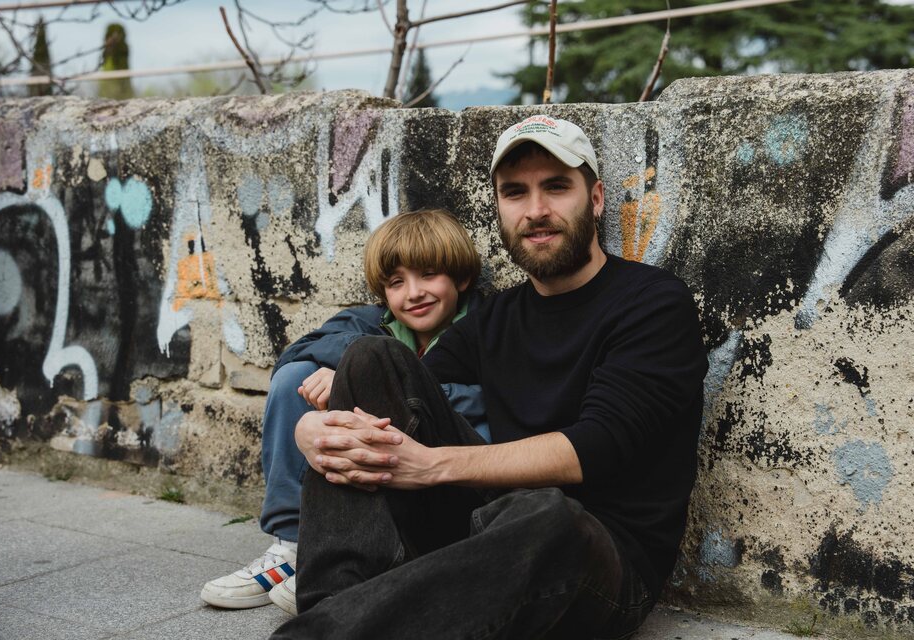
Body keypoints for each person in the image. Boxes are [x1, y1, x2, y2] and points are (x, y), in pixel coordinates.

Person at [273, 115, 710, 639]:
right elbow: (396, 394)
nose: (536, 210)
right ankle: (335, 605)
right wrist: (309, 431)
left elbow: (596, 447)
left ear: (594, 199)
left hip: (595, 559)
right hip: (488, 528)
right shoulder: (495, 317)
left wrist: (432, 466)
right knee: (370, 359)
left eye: (555, 187)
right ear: (499, 208)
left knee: (550, 516)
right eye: (515, 193)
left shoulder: (653, 303)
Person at [199, 208, 488, 615]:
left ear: (461, 278)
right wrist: (348, 368)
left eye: (428, 275)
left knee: (375, 380)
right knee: (298, 375)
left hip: (452, 483)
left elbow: (498, 400)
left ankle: (360, 557)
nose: (413, 293)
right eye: (396, 282)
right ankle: (293, 544)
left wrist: (394, 381)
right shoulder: (372, 321)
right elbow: (299, 350)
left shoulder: (487, 323)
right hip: (379, 456)